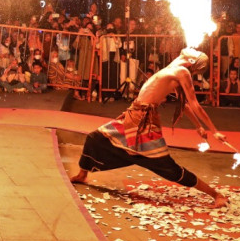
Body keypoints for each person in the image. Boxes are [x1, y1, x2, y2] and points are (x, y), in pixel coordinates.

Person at [70, 48, 229, 208]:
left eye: (195, 51)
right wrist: (198, 126)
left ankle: (216, 195)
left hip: (145, 124)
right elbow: (183, 105)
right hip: (133, 117)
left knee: (169, 169)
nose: (192, 48)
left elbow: (193, 104)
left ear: (192, 61)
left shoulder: (182, 71)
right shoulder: (173, 67)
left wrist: (213, 130)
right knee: (94, 138)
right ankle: (83, 175)